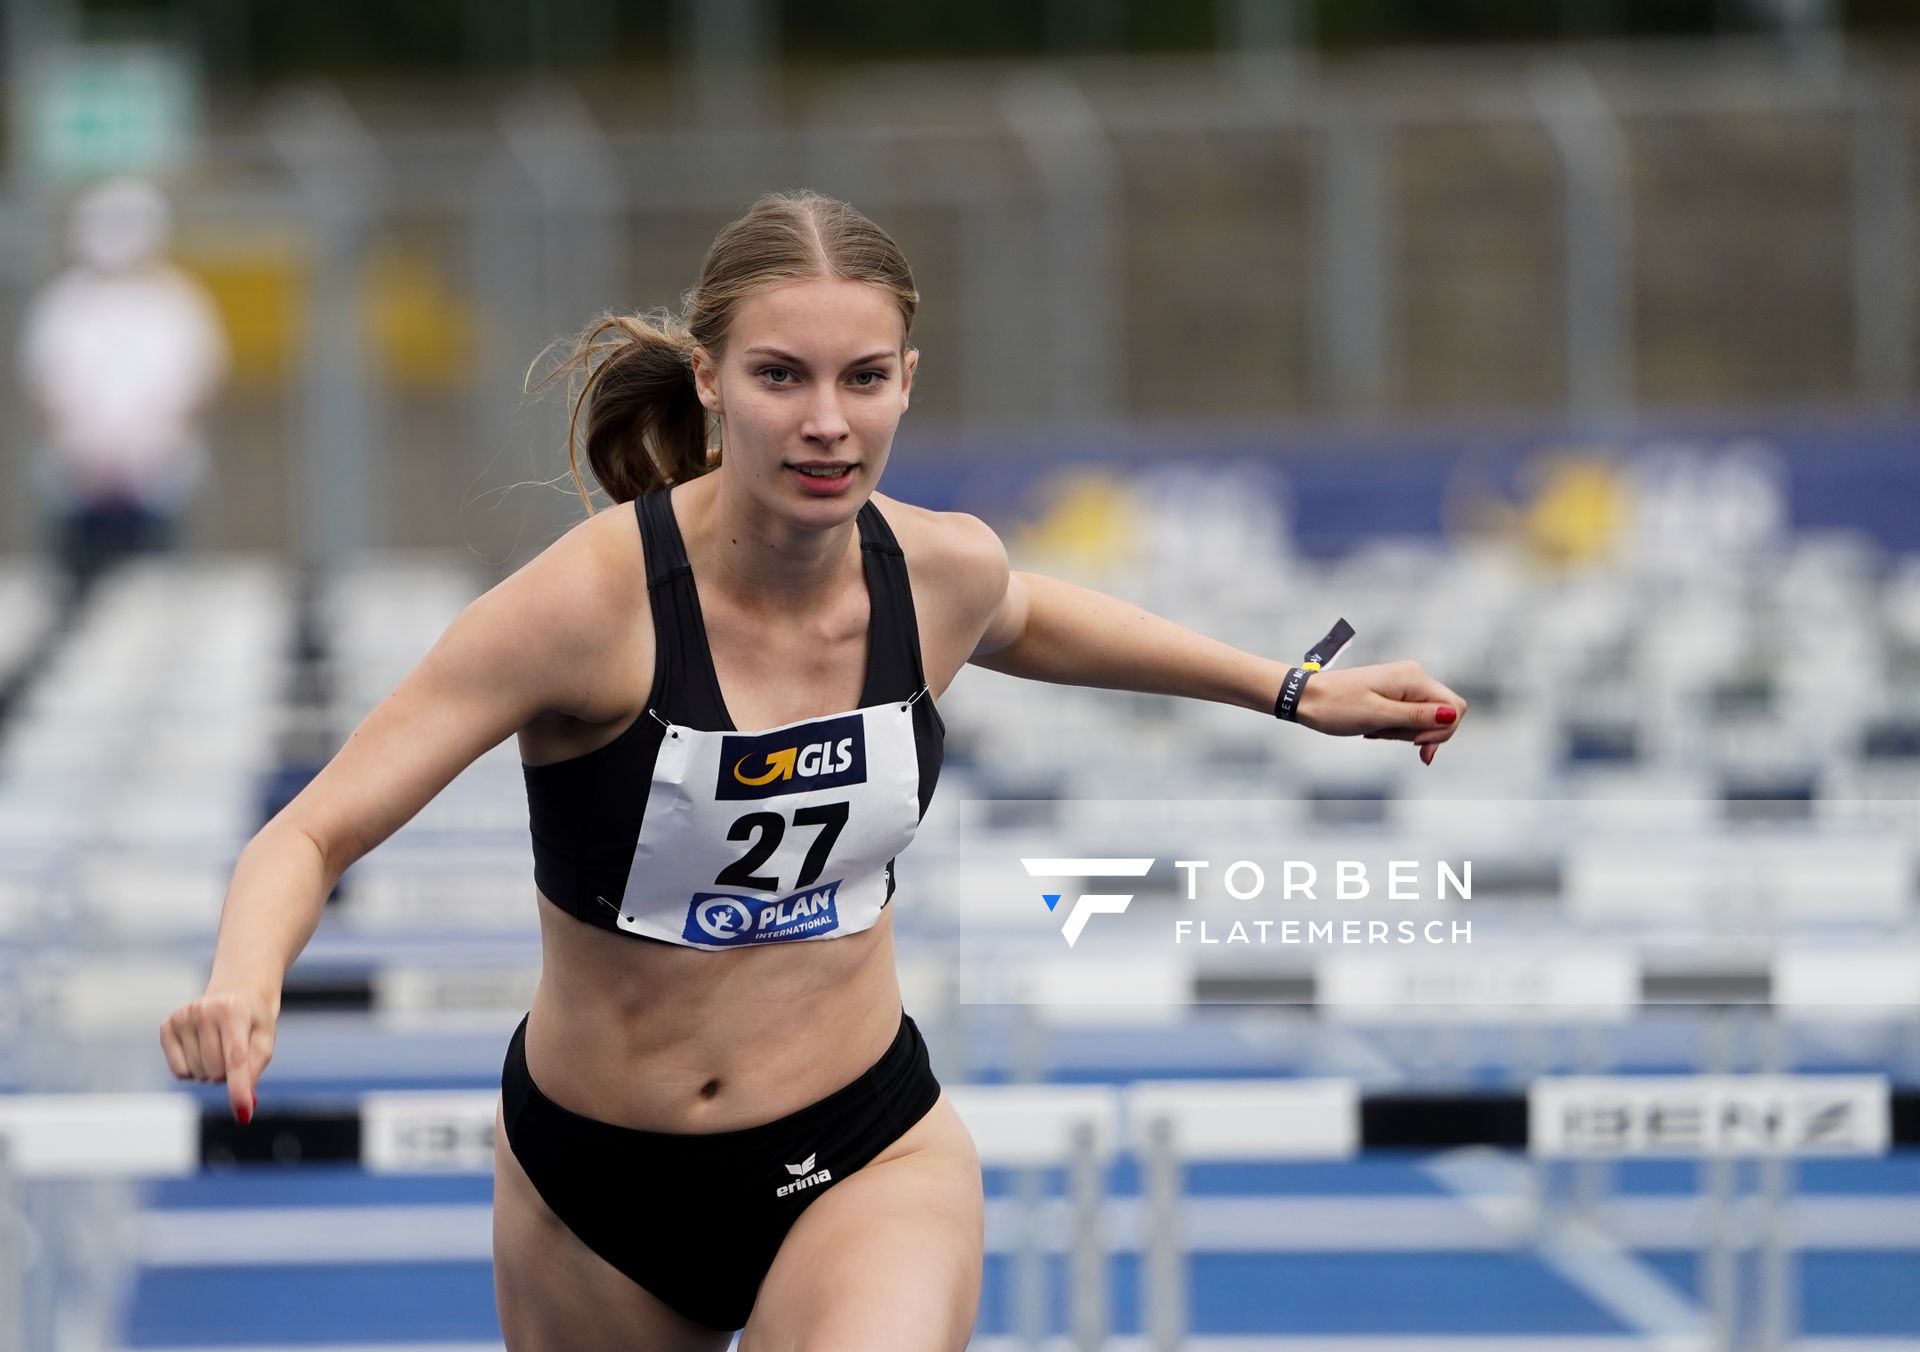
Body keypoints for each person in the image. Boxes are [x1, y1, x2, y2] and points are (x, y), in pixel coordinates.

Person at [158, 189, 1466, 1350]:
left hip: (859, 1151)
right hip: (594, 1193)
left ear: (908, 381)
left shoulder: (936, 571)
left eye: (866, 380)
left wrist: (1291, 690)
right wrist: (243, 976)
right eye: (783, 377)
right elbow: (307, 835)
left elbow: (1035, 615)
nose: (828, 423)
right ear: (711, 380)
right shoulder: (584, 611)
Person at [20, 176, 229, 604]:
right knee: (72, 594)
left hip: (159, 477)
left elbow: (201, 382)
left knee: (155, 595)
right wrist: (91, 454)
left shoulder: (178, 301)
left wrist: (147, 450)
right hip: (79, 478)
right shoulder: (66, 302)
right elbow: (45, 386)